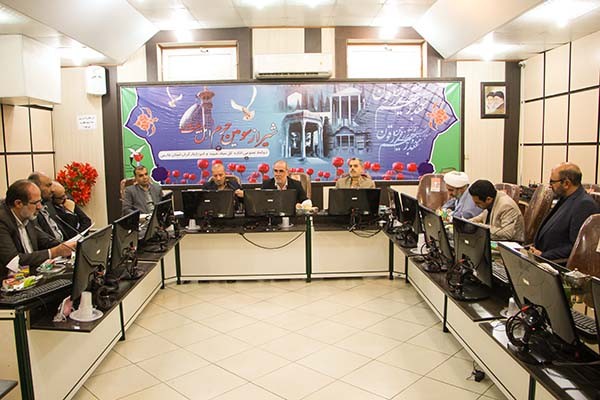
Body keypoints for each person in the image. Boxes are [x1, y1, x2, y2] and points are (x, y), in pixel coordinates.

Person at [0, 180, 77, 279]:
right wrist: (54, 252)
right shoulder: (3, 221)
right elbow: (13, 262)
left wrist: (69, 245)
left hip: (32, 276)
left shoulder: (28, 215)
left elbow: (45, 242)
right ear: (18, 203)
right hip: (10, 282)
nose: (40, 207)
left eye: (40, 201)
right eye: (35, 203)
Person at [530, 162, 600, 261]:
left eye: (552, 182)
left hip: (556, 264)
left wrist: (544, 255)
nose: (550, 186)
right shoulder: (565, 198)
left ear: (566, 183)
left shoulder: (584, 205)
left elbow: (576, 247)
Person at [28, 171, 66, 241]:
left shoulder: (48, 203)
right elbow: (43, 241)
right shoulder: (32, 212)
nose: (53, 190)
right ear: (36, 187)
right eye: (48, 185)